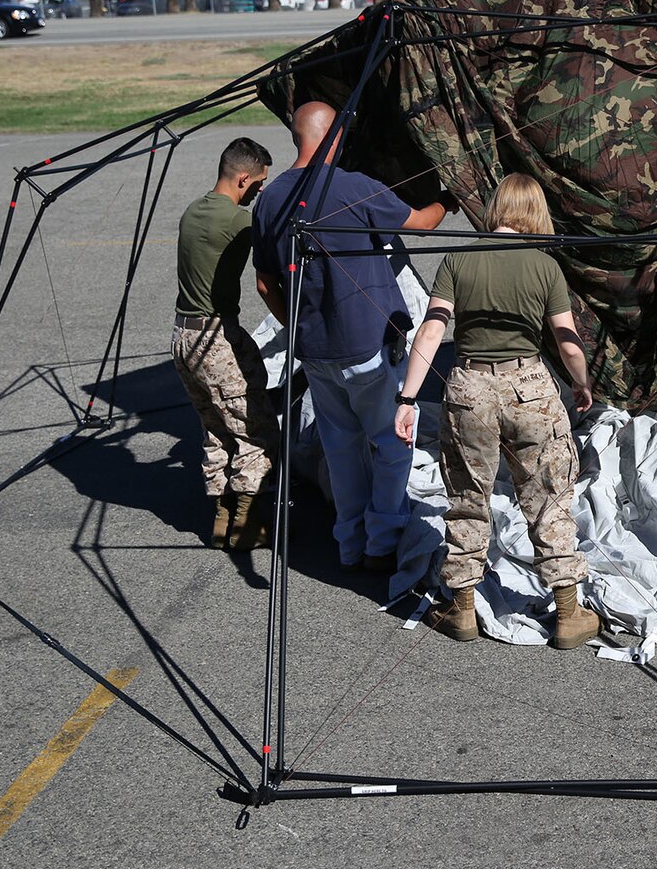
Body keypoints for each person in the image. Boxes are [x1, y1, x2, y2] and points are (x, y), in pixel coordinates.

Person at [394, 173, 604, 648]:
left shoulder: (458, 258)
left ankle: (462, 609)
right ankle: (569, 613)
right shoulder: (544, 266)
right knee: (549, 494)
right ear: (535, 212)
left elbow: (431, 332)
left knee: (467, 497)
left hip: (467, 387)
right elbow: (567, 342)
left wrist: (407, 399)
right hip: (529, 384)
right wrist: (581, 383)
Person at [253, 102, 447, 573]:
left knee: (341, 448)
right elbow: (422, 223)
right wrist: (446, 200)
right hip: (367, 349)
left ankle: (349, 542)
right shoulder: (353, 186)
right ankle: (382, 540)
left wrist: (297, 329)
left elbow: (264, 282)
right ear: (333, 138)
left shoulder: (270, 199)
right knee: (392, 440)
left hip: (315, 350)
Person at [172, 137, 281, 549]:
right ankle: (246, 524)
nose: (260, 191)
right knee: (254, 427)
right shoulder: (237, 223)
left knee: (215, 428)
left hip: (183, 336)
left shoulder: (194, 210)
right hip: (216, 338)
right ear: (242, 177)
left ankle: (221, 516)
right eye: (259, 183)